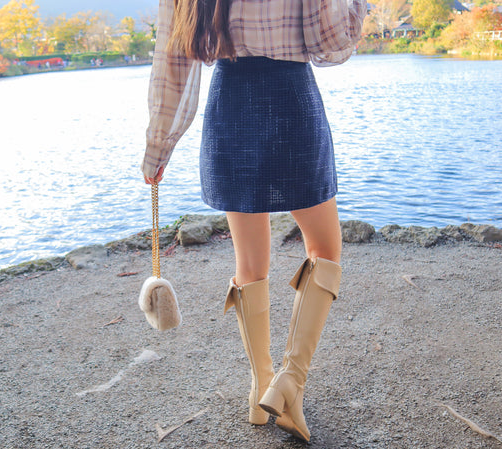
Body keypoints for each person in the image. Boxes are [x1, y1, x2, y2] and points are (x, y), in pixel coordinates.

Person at [142, 0, 366, 442]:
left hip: (231, 103)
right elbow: (333, 43)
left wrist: (159, 145)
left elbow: (173, 61)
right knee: (324, 248)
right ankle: (289, 382)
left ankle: (260, 387)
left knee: (249, 263)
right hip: (291, 97)